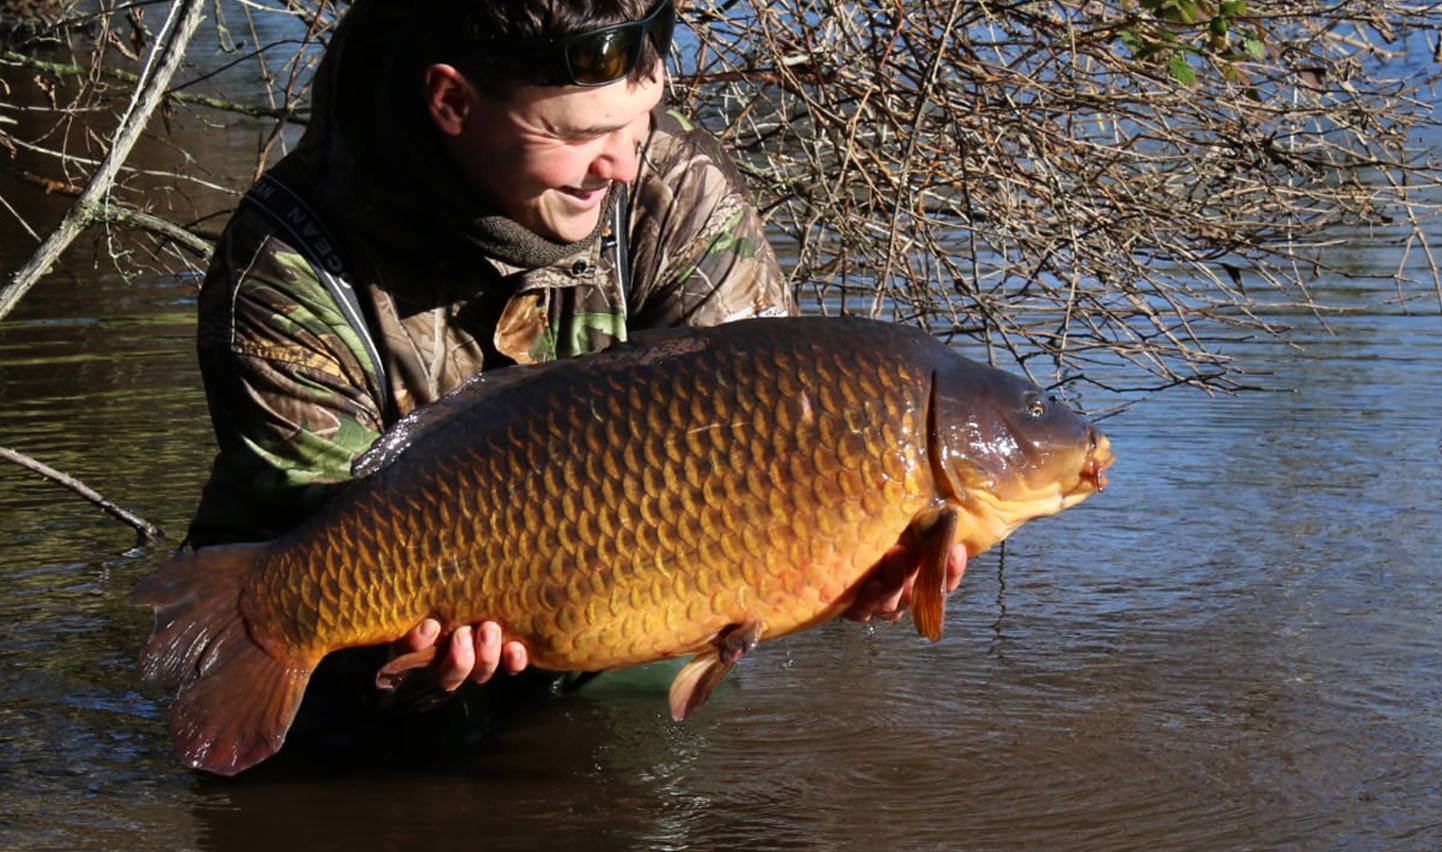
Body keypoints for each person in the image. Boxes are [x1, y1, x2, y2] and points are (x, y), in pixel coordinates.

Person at [184, 0, 962, 760]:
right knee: (345, 757)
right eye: (582, 134)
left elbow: (767, 435)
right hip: (361, 619)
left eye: (642, 117)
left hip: (621, 586)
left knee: (648, 757)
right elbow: (315, 513)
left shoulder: (671, 186)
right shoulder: (287, 267)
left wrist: (839, 555)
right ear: (452, 101)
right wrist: (402, 644)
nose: (622, 162)